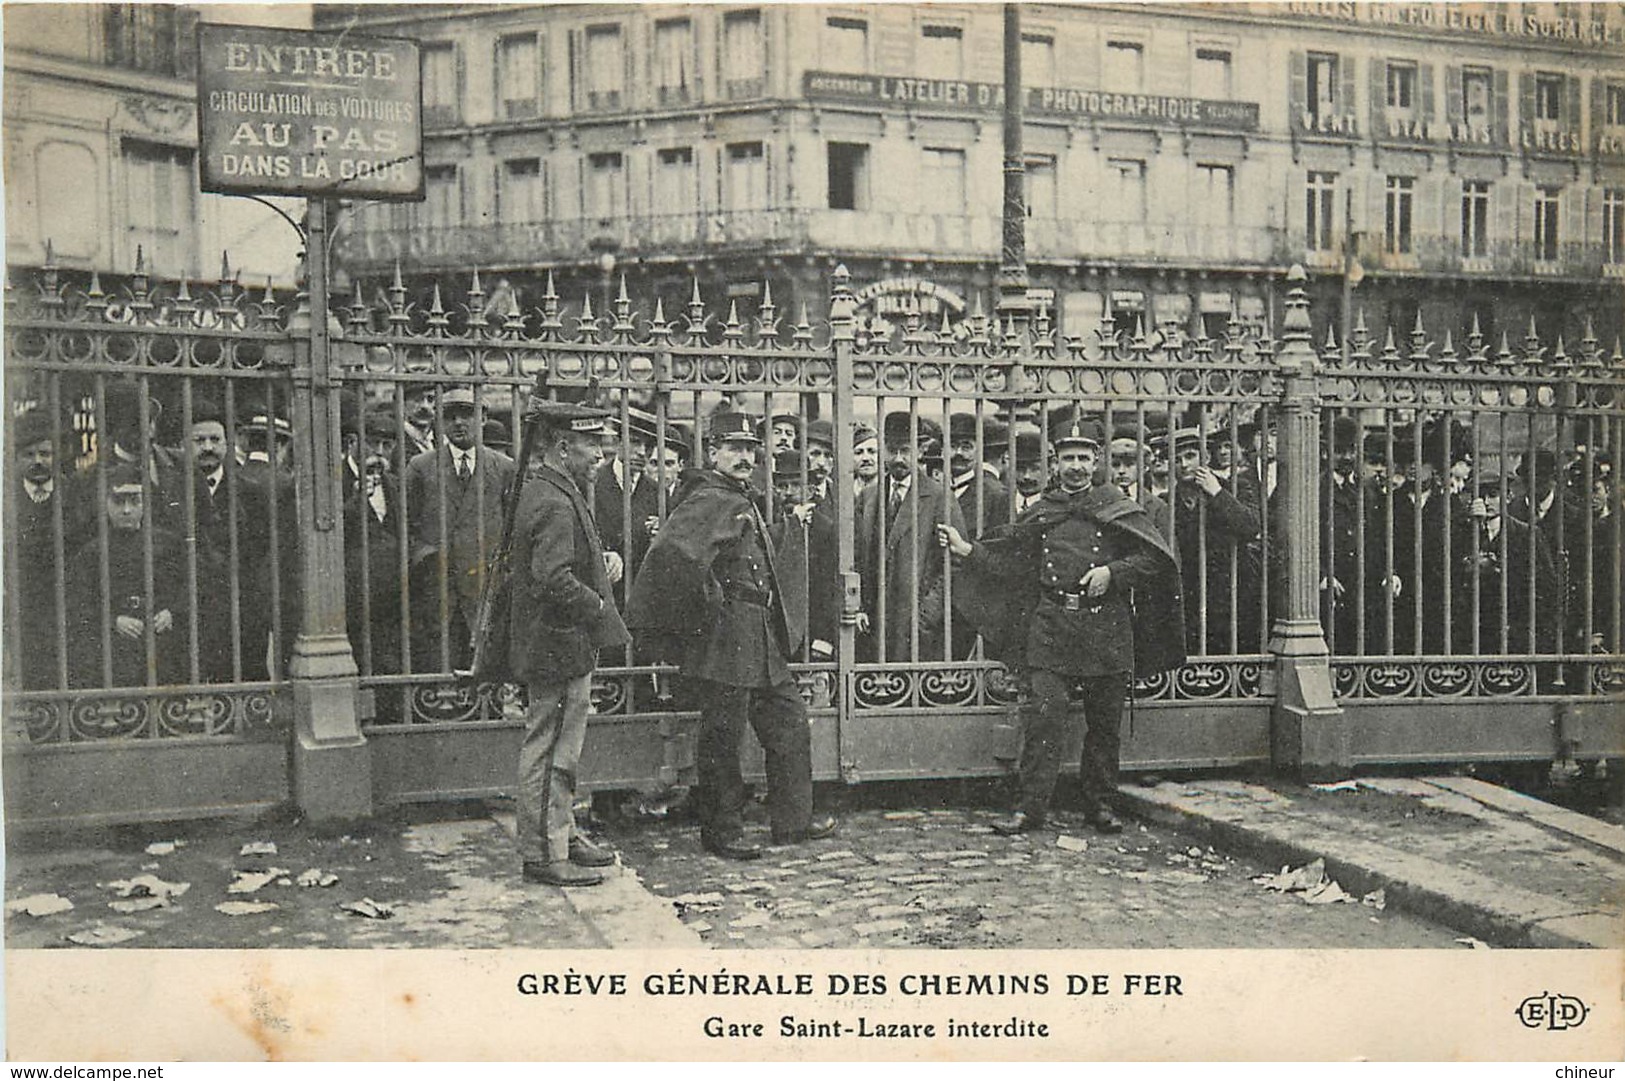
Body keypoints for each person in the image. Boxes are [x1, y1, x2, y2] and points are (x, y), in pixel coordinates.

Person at [939, 415, 1184, 835]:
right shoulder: (1043, 511)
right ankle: (1031, 808)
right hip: (1051, 627)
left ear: (1097, 461)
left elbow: (1153, 560)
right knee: (1043, 720)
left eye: (1083, 458)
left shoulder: (1118, 507)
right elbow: (1011, 564)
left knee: (1104, 725)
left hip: (1106, 627)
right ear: (1055, 462)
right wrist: (969, 551)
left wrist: (1113, 573)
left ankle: (1100, 804)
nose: (1075, 466)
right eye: (1068, 458)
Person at [626, 412, 836, 861]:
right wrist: (708, 607)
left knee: (789, 722)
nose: (744, 456)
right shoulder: (710, 497)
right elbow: (672, 555)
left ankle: (793, 821)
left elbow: (749, 554)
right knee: (724, 736)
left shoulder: (738, 496)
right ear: (713, 451)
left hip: (757, 635)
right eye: (733, 447)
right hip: (727, 636)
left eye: (748, 448)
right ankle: (722, 831)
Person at [505, 399, 629, 887]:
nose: (599, 453)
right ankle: (542, 852)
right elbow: (553, 578)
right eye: (590, 443)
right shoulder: (554, 498)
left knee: (563, 749)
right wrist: (599, 607)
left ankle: (562, 831)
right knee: (550, 748)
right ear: (562, 446)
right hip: (555, 643)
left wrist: (604, 563)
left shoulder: (556, 490)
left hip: (562, 642)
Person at [405, 386, 517, 672]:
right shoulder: (421, 467)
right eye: (450, 415)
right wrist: (426, 558)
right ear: (439, 421)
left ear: (482, 417)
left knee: (485, 675)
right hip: (439, 589)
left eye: (466, 414)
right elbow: (406, 523)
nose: (458, 423)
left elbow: (515, 525)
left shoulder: (504, 468)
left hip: (486, 590)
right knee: (439, 670)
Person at [65, 461, 188, 689]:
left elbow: (189, 586)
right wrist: (112, 621)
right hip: (113, 647)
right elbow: (78, 601)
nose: (126, 510)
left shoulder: (168, 544)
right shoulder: (91, 551)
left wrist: (172, 611)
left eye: (135, 501)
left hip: (162, 644)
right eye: (118, 501)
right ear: (105, 504)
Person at [854, 412, 966, 662]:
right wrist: (860, 606)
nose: (898, 459)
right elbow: (857, 556)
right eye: (892, 450)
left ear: (919, 449)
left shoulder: (939, 497)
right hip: (874, 622)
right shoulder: (869, 497)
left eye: (905, 450)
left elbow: (955, 562)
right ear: (882, 448)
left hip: (916, 627)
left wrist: (926, 615)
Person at [1162, 426, 1261, 655]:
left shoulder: (1234, 487)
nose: (1184, 464)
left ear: (1205, 457)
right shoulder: (1167, 501)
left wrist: (1216, 492)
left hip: (1232, 591)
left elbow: (1251, 527)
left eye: (1190, 456)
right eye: (1177, 459)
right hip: (1190, 592)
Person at [8, 409, 67, 689]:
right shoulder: (7, 499)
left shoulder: (73, 493)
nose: (38, 461)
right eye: (29, 455)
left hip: (66, 601)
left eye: (45, 453)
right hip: (23, 605)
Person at [947, 413, 1010, 535]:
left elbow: (999, 547)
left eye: (966, 447)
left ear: (979, 451)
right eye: (952, 446)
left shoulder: (995, 494)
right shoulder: (934, 490)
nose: (958, 453)